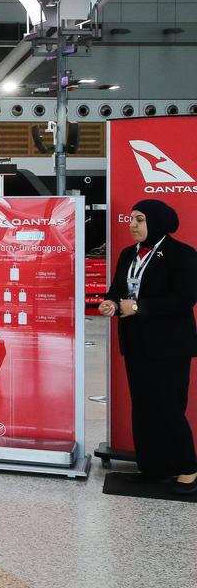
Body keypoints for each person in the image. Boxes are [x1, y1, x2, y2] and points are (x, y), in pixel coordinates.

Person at [99, 199, 197, 494]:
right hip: (136, 344)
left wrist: (140, 307)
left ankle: (187, 471)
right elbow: (119, 289)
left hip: (168, 346)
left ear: (157, 221)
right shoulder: (129, 254)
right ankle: (152, 467)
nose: (132, 225)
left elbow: (184, 299)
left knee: (167, 407)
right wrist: (111, 303)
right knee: (143, 408)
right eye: (131, 219)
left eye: (139, 219)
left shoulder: (182, 255)